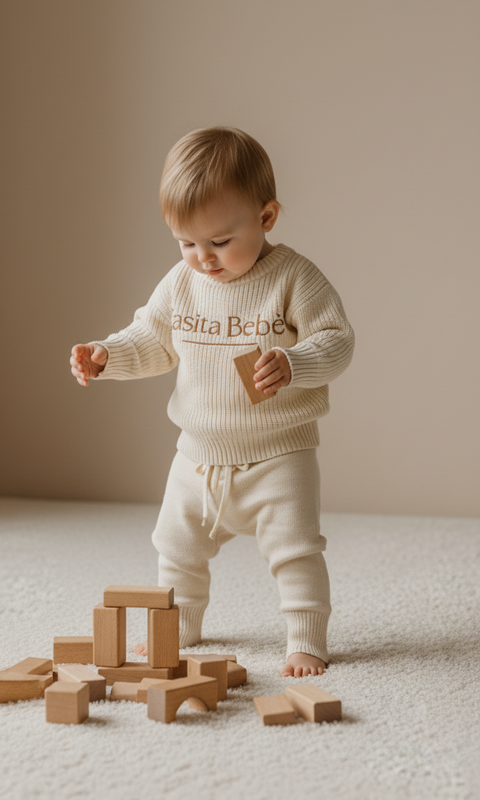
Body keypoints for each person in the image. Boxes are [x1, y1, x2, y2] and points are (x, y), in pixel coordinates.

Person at [70, 126, 354, 677]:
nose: (203, 258)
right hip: (197, 455)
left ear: (266, 217)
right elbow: (151, 339)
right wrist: (107, 356)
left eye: (220, 242)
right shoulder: (182, 283)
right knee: (176, 549)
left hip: (278, 456)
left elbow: (338, 341)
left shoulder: (294, 278)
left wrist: (296, 363)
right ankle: (180, 626)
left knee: (296, 552)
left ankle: (305, 638)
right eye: (187, 242)